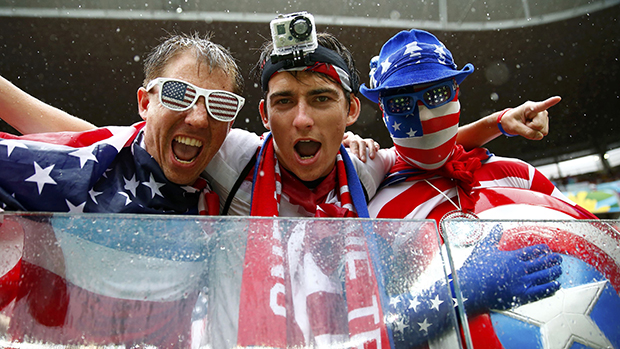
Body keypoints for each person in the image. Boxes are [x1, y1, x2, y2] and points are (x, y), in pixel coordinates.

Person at [0, 32, 245, 348]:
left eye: (220, 104)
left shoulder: (231, 186)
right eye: (177, 94)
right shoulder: (85, 170)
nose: (198, 118)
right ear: (145, 103)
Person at [359, 29, 597, 347]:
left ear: (456, 90)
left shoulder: (517, 175)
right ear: (383, 111)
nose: (424, 114)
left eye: (437, 93)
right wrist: (458, 292)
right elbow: (370, 333)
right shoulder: (378, 211)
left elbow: (596, 248)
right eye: (401, 102)